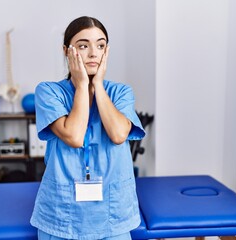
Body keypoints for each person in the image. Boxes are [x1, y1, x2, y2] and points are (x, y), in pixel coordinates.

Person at [30, 16, 145, 240]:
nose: (93, 53)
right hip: (61, 215)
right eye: (83, 45)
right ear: (66, 50)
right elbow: (74, 135)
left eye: (100, 45)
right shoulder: (49, 92)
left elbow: (119, 134)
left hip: (113, 216)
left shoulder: (120, 92)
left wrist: (98, 85)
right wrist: (83, 84)